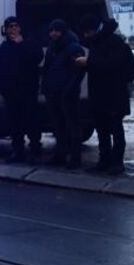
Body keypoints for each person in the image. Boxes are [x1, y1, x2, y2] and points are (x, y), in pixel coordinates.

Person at [76, 14, 134, 175]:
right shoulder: (99, 41)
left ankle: (117, 162)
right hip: (99, 93)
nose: (85, 36)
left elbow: (113, 66)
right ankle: (104, 160)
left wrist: (88, 63)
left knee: (115, 128)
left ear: (93, 30)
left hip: (114, 93)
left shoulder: (114, 42)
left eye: (87, 33)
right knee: (102, 129)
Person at [0, 16, 43, 163]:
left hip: (28, 90)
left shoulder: (30, 42)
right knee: (15, 123)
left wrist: (22, 45)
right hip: (11, 92)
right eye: (10, 27)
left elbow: (37, 57)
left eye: (16, 26)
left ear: (20, 28)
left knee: (32, 121)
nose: (13, 29)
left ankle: (35, 150)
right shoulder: (3, 47)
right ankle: (18, 150)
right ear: (6, 30)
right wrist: (0, 85)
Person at [41, 18, 86, 169]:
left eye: (56, 30)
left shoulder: (73, 47)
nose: (53, 33)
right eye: (51, 30)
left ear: (63, 31)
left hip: (68, 94)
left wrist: (69, 88)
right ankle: (60, 155)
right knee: (58, 126)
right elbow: (47, 69)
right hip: (53, 92)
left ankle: (75, 158)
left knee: (72, 126)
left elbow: (78, 72)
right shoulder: (52, 47)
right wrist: (45, 88)